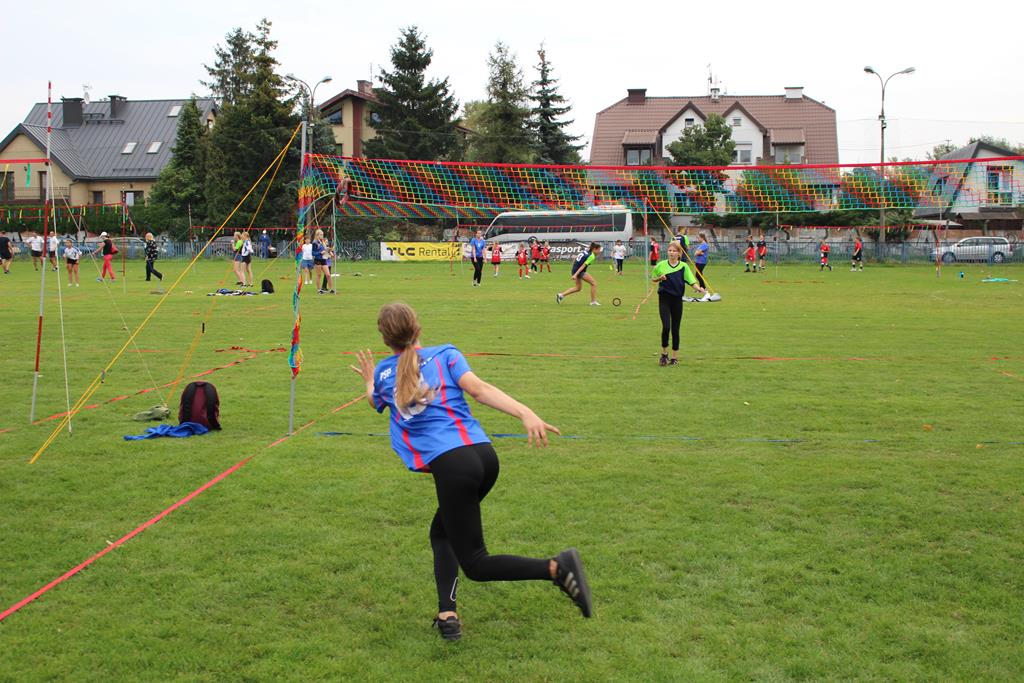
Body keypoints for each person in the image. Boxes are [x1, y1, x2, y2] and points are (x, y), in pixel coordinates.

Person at [349, 303, 593, 641]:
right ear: (418, 328)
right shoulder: (446, 354)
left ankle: (557, 568)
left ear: (384, 338)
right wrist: (525, 413)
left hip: (455, 467)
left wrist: (368, 381)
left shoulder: (383, 374)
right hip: (484, 457)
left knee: (476, 564)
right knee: (442, 533)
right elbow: (480, 390)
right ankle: (447, 615)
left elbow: (374, 400)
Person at [652, 241, 706, 366]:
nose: (671, 253)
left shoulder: (683, 266)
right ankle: (664, 354)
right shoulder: (660, 265)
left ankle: (674, 357)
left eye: (674, 251)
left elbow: (691, 281)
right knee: (666, 327)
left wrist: (699, 289)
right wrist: (659, 278)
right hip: (664, 299)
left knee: (675, 329)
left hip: (677, 300)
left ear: (679, 253)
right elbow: (653, 278)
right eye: (669, 250)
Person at [312, 229, 334, 294]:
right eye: (321, 235)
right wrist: (320, 253)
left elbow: (325, 249)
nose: (322, 236)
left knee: (328, 275)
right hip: (317, 260)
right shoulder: (315, 243)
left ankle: (331, 289)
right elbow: (313, 253)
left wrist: (329, 250)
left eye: (322, 235)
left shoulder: (323, 242)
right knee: (319, 275)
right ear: (317, 235)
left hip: (323, 260)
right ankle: (319, 290)